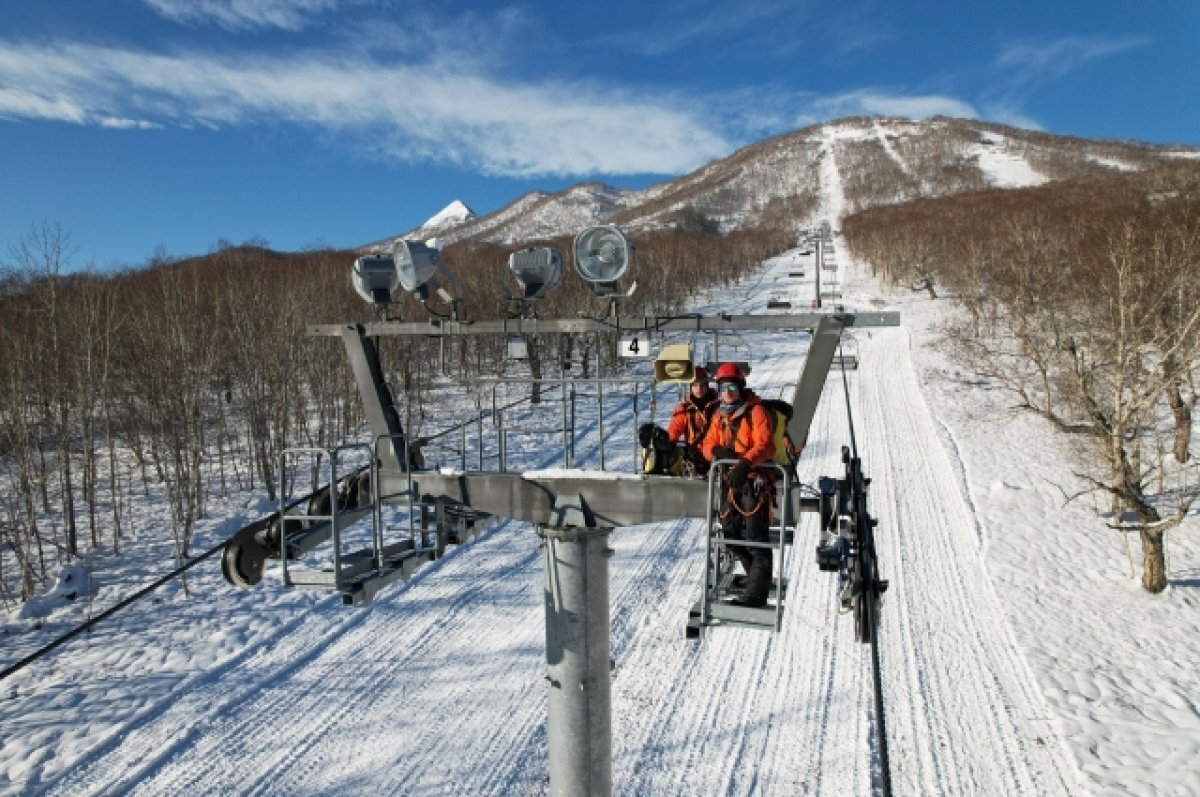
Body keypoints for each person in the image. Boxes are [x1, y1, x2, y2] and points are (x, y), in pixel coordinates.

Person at [701, 362, 776, 607]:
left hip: (752, 482)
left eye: (732, 387)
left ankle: (756, 594)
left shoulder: (757, 412)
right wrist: (717, 452)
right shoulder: (719, 416)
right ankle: (755, 578)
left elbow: (765, 445)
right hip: (729, 484)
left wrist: (746, 463)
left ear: (741, 387)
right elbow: (706, 445)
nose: (728, 392)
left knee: (755, 538)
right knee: (731, 536)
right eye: (723, 387)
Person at [665, 366, 719, 477]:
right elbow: (674, 430)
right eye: (695, 385)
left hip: (715, 454)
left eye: (702, 385)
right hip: (694, 456)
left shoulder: (718, 407)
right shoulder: (684, 409)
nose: (699, 389)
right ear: (691, 387)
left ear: (707, 386)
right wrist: (667, 442)